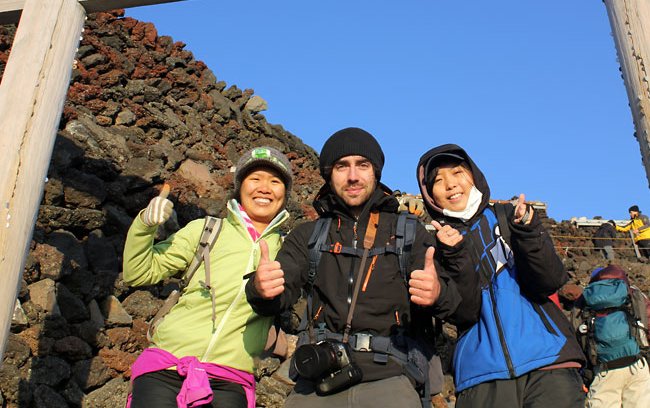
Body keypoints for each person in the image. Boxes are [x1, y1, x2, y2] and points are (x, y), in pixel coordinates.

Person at [246, 127, 460, 408]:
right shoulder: (308, 235)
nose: (353, 176)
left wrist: (437, 293)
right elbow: (279, 294)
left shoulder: (410, 234)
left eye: (363, 165)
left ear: (376, 172)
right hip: (316, 382)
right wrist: (261, 289)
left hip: (392, 380)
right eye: (341, 166)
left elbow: (453, 303)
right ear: (328, 174)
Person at [416, 144, 586, 408]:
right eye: (438, 180)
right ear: (429, 196)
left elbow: (548, 281)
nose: (450, 184)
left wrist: (529, 232)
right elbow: (465, 313)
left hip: (549, 363)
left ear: (474, 176)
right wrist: (454, 255)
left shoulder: (509, 217)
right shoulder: (434, 248)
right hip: (480, 378)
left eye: (458, 172)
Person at [123, 146, 293, 408]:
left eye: (275, 181)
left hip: (230, 378)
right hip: (165, 367)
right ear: (240, 186)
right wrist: (145, 225)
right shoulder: (206, 230)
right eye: (255, 179)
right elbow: (139, 272)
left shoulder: (290, 252)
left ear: (285, 193)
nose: (264, 188)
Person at [574, 265, 650, 407]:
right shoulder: (633, 293)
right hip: (636, 364)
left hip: (603, 369)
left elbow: (576, 339)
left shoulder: (584, 300)